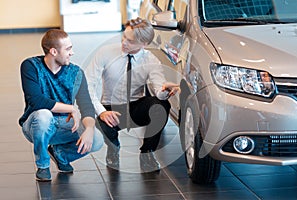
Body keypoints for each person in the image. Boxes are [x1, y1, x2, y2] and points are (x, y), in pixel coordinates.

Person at [85, 17, 180, 172]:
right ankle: (113, 149)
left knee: (161, 106)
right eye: (124, 37)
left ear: (144, 44)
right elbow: (87, 84)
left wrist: (165, 90)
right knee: (105, 128)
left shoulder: (151, 59)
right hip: (109, 108)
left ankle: (147, 153)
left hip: (136, 107)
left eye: (130, 41)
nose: (124, 43)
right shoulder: (105, 53)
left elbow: (158, 89)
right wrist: (102, 112)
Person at [19, 29, 103, 181]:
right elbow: (36, 101)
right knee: (44, 114)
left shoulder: (76, 73)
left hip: (64, 125)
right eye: (68, 49)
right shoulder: (30, 66)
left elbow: (86, 106)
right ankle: (43, 166)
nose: (72, 52)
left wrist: (90, 128)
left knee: (97, 139)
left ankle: (61, 154)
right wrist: (71, 108)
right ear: (53, 51)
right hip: (36, 125)